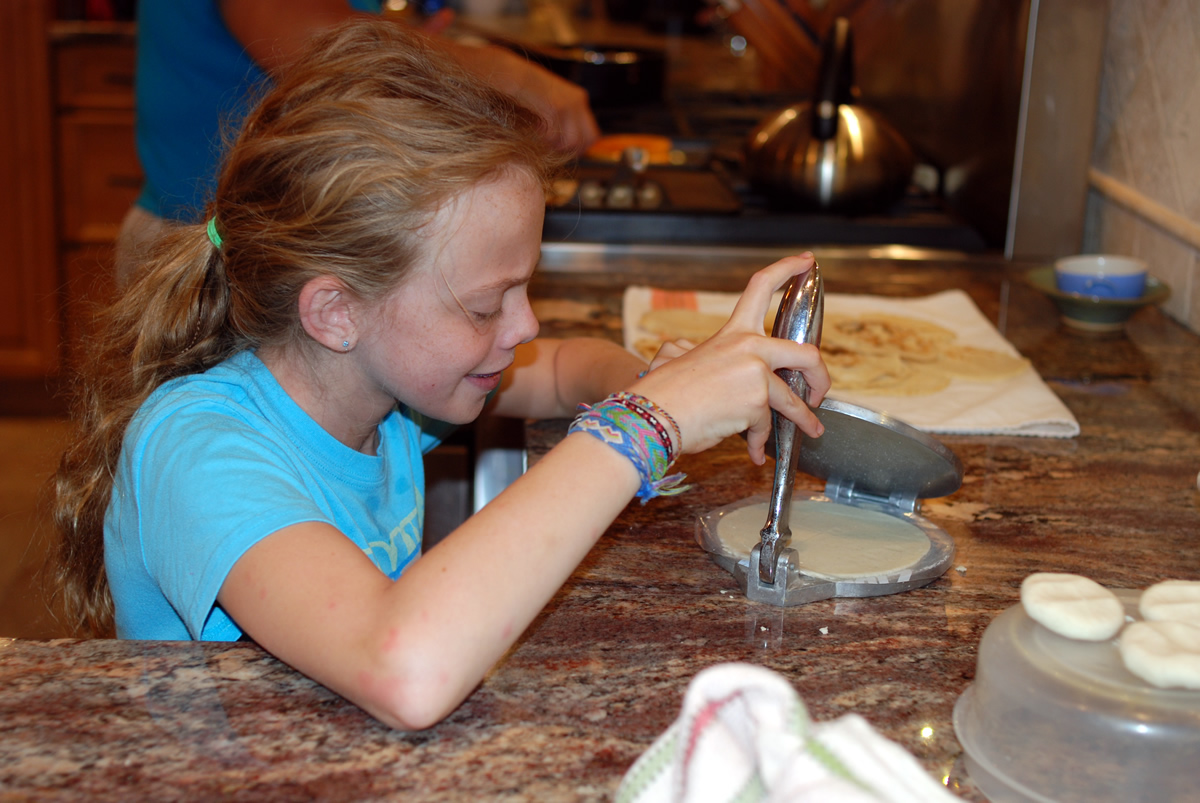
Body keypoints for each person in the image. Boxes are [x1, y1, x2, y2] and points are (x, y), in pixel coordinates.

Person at [55, 18, 828, 731]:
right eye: (487, 305)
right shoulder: (196, 451)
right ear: (334, 312)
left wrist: (647, 379)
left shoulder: (378, 390)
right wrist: (647, 422)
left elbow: (558, 368)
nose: (523, 326)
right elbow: (403, 668)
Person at [115, 0, 601, 286]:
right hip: (214, 252)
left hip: (284, 242)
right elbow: (307, 38)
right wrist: (494, 70)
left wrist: (408, 40)